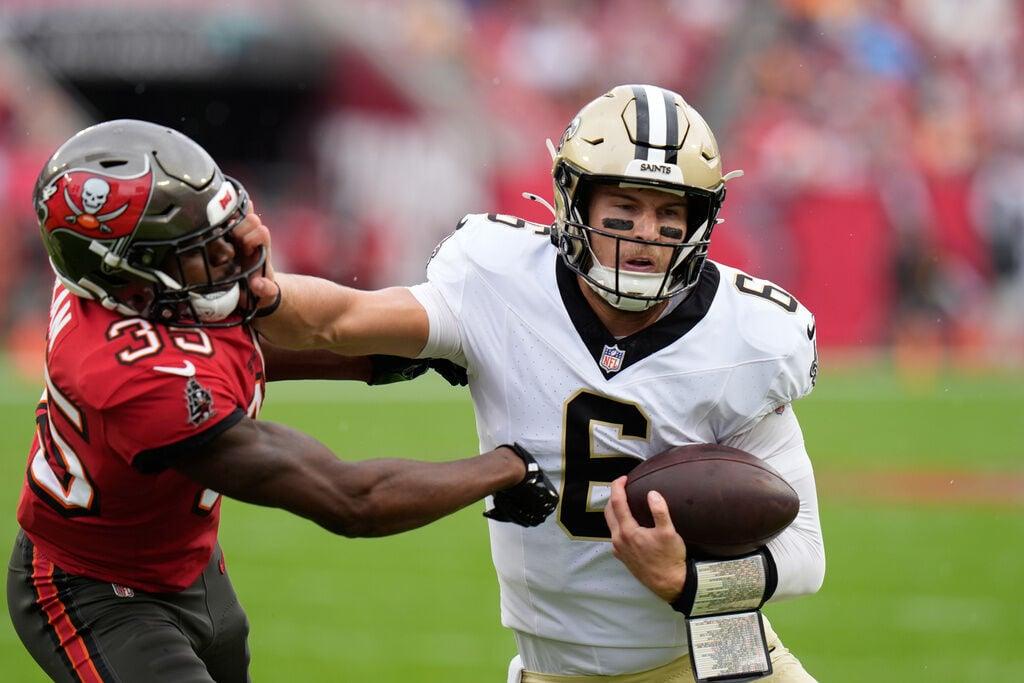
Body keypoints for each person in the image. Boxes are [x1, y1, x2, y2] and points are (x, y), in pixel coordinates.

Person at [243, 85, 825, 681]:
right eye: (624, 208)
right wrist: (264, 288)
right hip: (557, 671)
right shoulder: (499, 280)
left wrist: (689, 580)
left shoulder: (747, 337)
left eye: (670, 213)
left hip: (715, 663)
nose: (647, 232)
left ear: (699, 222)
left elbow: (805, 553)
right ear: (576, 202)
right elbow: (339, 320)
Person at [7, 119, 558, 683]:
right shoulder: (136, 380)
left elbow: (240, 353)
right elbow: (350, 499)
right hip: (94, 588)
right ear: (130, 280)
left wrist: (396, 357)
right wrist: (508, 466)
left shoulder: (135, 297)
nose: (230, 249)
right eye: (195, 247)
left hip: (188, 567)